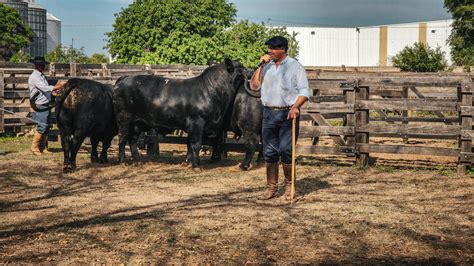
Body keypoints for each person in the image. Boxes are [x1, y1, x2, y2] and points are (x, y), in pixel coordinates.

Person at [250, 36, 310, 200]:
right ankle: (271, 188)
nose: (270, 51)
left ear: (283, 49)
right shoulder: (267, 66)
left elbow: (304, 91)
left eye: (274, 48)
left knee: (286, 150)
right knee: (269, 152)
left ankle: (290, 188)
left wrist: (296, 106)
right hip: (269, 113)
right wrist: (261, 66)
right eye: (269, 47)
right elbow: (254, 86)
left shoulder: (294, 66)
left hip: (287, 114)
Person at [28, 56, 66, 155]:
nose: (44, 66)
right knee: (42, 125)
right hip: (39, 104)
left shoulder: (41, 76)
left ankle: (42, 147)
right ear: (38, 66)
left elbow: (44, 89)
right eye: (42, 65)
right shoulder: (34, 77)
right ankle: (34, 147)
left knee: (46, 126)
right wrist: (58, 86)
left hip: (44, 103)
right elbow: (44, 88)